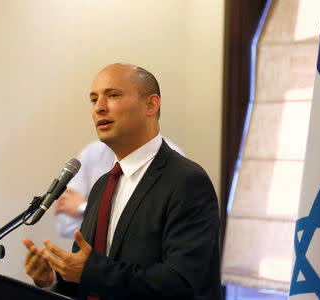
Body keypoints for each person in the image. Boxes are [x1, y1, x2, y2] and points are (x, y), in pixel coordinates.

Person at [23, 63, 221, 299]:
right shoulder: (102, 186)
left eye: (112, 95)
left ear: (151, 104)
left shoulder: (187, 181)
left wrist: (91, 271)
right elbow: (86, 281)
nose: (99, 108)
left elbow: (182, 282)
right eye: (94, 99)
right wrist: (49, 280)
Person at [55, 139, 185, 240]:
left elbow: (148, 231)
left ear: (150, 105)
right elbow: (65, 223)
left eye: (114, 102)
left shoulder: (172, 159)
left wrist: (83, 208)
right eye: (94, 102)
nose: (99, 108)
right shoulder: (92, 153)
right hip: (91, 265)